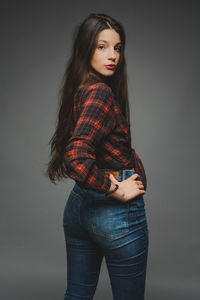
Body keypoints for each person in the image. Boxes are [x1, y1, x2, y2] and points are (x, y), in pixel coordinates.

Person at [46, 13, 149, 300]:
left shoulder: (81, 90)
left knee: (77, 295)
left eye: (117, 47)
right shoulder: (100, 93)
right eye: (101, 46)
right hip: (114, 213)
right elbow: (76, 157)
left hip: (79, 207)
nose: (112, 55)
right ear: (85, 48)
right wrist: (117, 189)